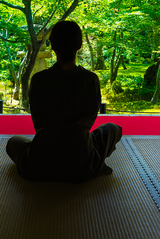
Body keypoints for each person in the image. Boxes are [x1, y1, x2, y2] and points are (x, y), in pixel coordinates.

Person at [6, 20, 123, 183]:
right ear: (79, 45)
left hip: (40, 162)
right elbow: (89, 121)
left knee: (14, 142)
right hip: (82, 161)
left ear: (52, 46)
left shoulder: (39, 80)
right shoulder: (90, 79)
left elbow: (38, 124)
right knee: (112, 129)